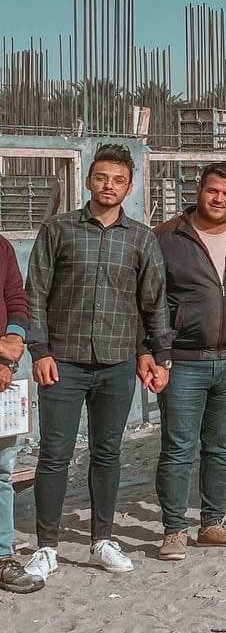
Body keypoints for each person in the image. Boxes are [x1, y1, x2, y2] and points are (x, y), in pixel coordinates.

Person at [23, 143, 172, 580]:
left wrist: (158, 355)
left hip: (117, 363)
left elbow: (153, 302)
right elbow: (36, 294)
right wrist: (40, 351)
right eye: (102, 177)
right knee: (55, 454)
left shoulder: (141, 238)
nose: (109, 186)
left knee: (107, 452)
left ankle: (102, 539)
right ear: (88, 180)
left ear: (130, 186)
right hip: (62, 363)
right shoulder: (58, 230)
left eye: (119, 180)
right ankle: (47, 547)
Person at [151, 163, 226, 562]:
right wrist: (157, 354)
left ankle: (212, 524)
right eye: (213, 190)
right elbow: (151, 303)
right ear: (198, 190)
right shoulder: (167, 237)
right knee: (178, 448)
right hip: (183, 362)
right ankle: (174, 530)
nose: (219, 199)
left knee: (221, 447)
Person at [0, 233, 41, 593]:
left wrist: (13, 343)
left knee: (1, 473)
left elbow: (15, 299)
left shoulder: (2, 247)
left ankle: (2, 556)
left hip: (1, 377)